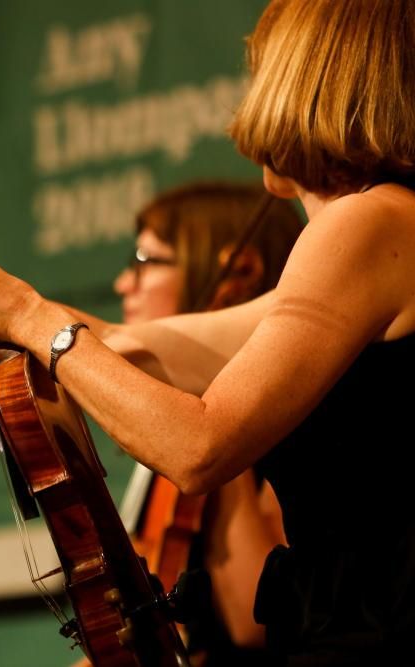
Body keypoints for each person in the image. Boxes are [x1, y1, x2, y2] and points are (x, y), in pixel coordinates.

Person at [0, 0, 414, 664]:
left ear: (307, 77)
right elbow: (140, 345)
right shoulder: (384, 226)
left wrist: (31, 317)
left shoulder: (369, 222)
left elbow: (198, 447)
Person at [115, 182, 300, 666]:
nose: (124, 283)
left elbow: (254, 624)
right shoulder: (162, 410)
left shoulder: (295, 420)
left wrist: (218, 420)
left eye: (144, 259)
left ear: (228, 275)